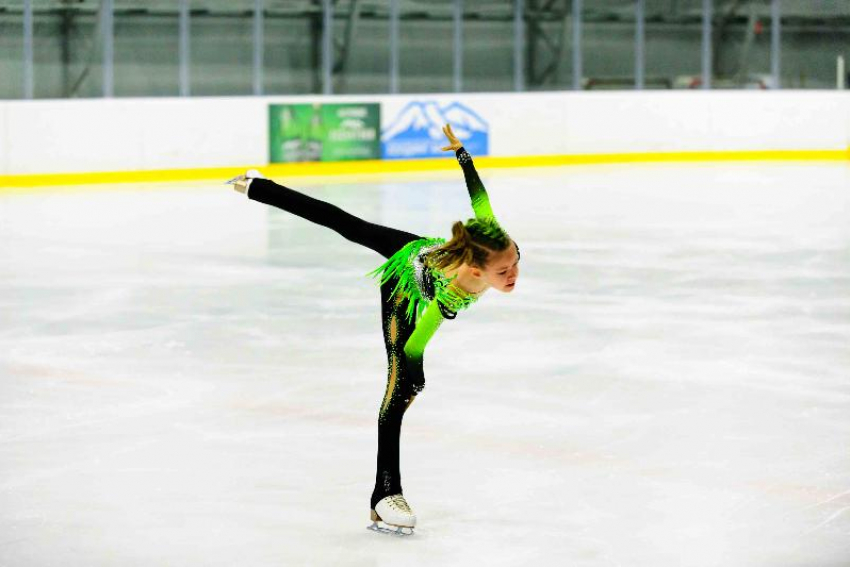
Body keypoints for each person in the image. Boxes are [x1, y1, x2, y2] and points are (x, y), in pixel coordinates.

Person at [227, 124, 520, 536]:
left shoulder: (495, 241)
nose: (514, 274)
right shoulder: (455, 290)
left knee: (349, 225)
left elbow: (480, 199)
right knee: (399, 388)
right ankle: (384, 494)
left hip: (422, 249)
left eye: (515, 264)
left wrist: (463, 156)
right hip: (405, 284)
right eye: (504, 271)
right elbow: (418, 340)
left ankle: (259, 187)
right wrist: (412, 369)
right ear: (475, 271)